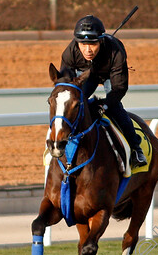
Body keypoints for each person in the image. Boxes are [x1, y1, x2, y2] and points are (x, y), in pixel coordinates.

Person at [60, 14, 147, 169]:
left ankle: (135, 149)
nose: (87, 50)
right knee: (74, 104)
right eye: (83, 44)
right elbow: (66, 87)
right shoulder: (70, 52)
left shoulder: (116, 52)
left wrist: (105, 106)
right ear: (76, 42)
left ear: (100, 40)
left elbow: (119, 88)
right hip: (88, 75)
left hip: (110, 75)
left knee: (115, 108)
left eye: (92, 44)